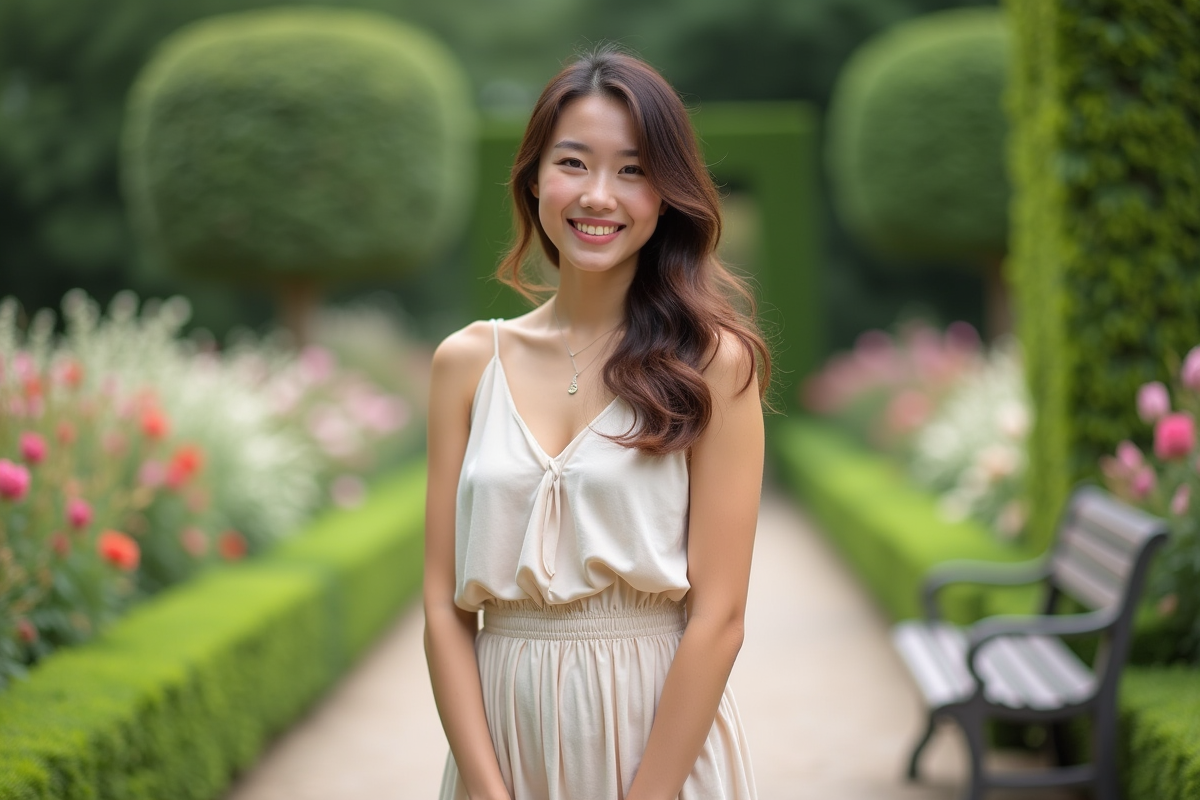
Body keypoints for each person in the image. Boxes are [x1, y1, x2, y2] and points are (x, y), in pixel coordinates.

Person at [423, 47, 769, 800]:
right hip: (503, 744)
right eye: (574, 163)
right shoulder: (466, 363)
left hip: (658, 745)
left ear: (668, 193)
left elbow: (720, 616)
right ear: (534, 179)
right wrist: (484, 788)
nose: (599, 196)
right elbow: (441, 603)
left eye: (634, 170)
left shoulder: (714, 365)